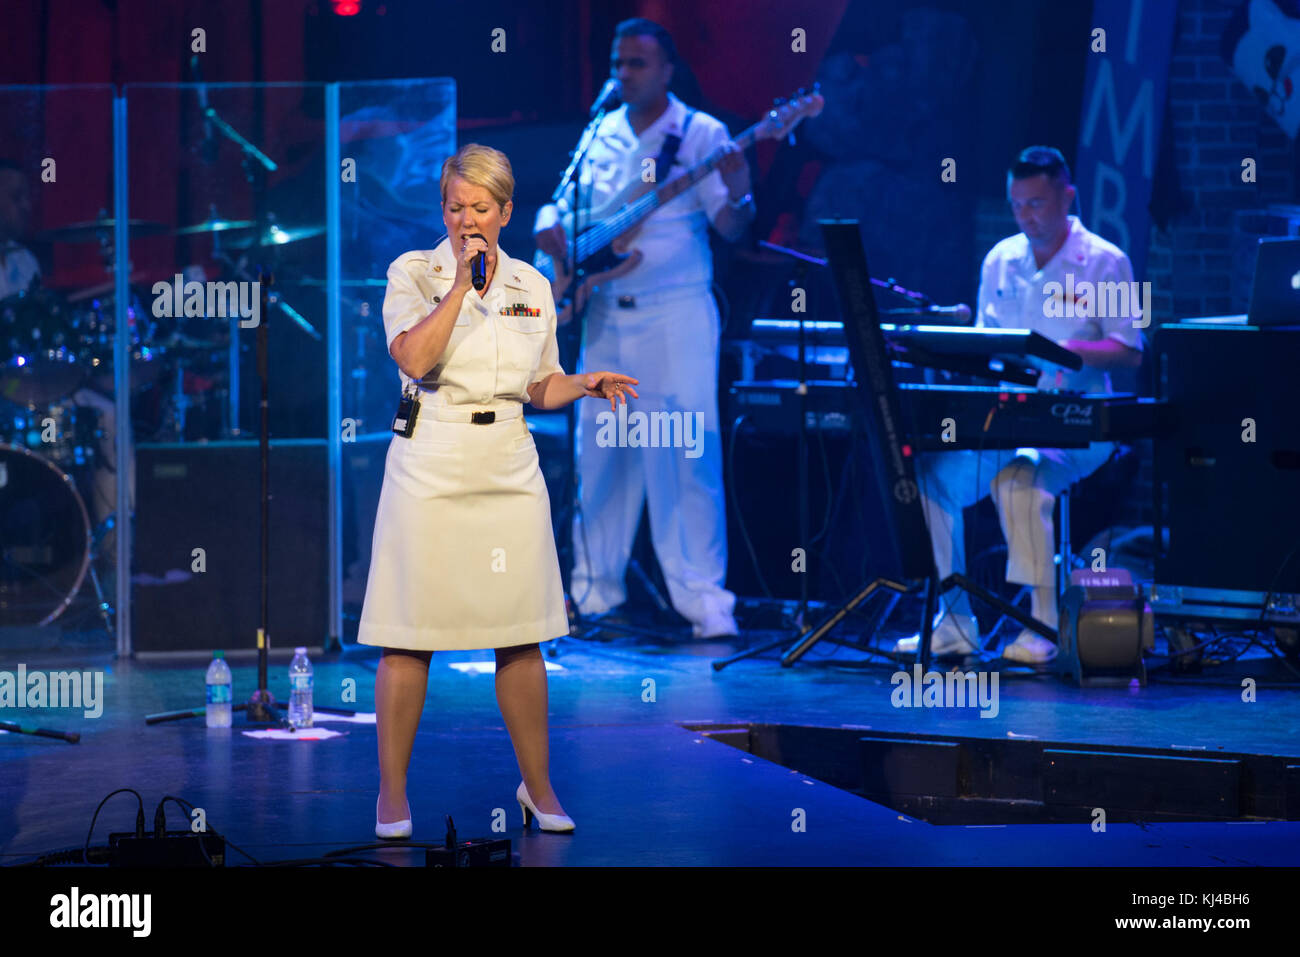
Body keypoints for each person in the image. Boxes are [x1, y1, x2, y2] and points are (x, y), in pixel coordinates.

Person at [357, 144, 638, 838]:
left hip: (508, 463)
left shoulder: (533, 286)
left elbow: (538, 384)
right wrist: (460, 287)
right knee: (408, 633)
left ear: (506, 212)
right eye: (454, 207)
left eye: (479, 208)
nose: (465, 220)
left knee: (520, 634)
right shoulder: (412, 273)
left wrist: (582, 383)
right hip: (431, 460)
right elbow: (416, 360)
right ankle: (391, 793)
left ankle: (537, 785)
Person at [533, 17, 756, 639]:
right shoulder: (599, 131)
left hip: (676, 315)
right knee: (600, 456)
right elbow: (563, 203)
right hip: (604, 311)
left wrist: (740, 193)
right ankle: (592, 591)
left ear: (666, 70)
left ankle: (703, 601)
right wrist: (550, 229)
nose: (623, 73)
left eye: (635, 63)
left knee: (683, 455)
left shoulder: (701, 134)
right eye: (617, 62)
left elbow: (733, 226)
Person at [893, 146, 1144, 664]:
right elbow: (988, 346)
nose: (1027, 216)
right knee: (931, 478)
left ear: (1066, 196)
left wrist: (1067, 353)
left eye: (1037, 203)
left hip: (1079, 424)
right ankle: (954, 620)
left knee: (1018, 482)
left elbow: (1129, 350)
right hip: (1007, 419)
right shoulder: (1000, 260)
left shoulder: (1106, 260)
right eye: (1018, 205)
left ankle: (1042, 625)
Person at [0, 158, 128, 528]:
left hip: (35, 385)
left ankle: (110, 545)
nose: (27, 205)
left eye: (27, 196)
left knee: (110, 414)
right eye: (15, 197)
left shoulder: (26, 262)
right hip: (5, 387)